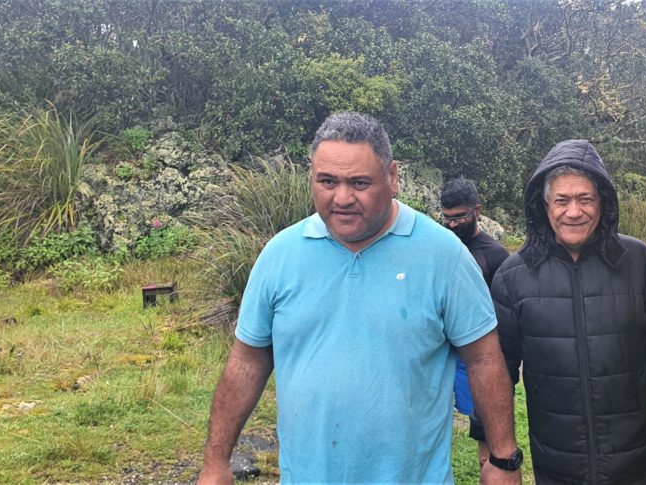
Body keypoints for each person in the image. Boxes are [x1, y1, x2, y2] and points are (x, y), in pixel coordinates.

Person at [197, 112, 522, 484]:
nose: (343, 198)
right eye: (328, 181)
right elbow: (247, 362)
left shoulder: (444, 256)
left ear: (393, 176)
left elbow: (483, 359)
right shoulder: (279, 256)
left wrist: (503, 460)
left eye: (359, 182)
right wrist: (215, 463)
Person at [489, 139, 646, 483]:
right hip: (557, 465)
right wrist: (494, 454)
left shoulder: (640, 263)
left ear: (602, 203)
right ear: (544, 206)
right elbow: (494, 369)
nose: (573, 211)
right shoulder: (513, 276)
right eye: (561, 200)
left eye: (584, 199)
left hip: (632, 463)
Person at [440, 178, 510, 467]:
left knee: (482, 424)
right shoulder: (438, 247)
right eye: (447, 218)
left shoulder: (495, 256)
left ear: (477, 211)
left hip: (474, 356)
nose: (454, 225)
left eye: (460, 217)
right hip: (439, 351)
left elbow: (505, 315)